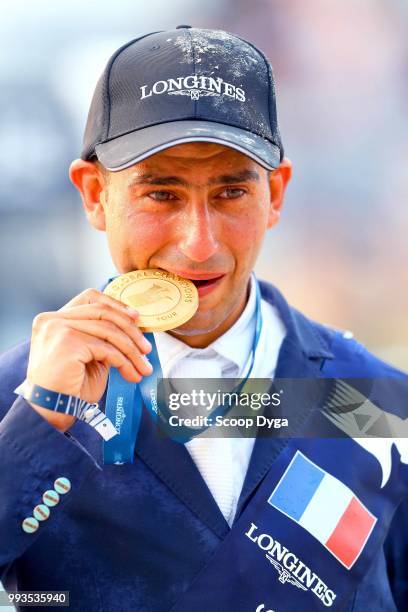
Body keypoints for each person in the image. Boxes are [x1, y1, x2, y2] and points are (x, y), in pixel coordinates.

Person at [0, 25, 407, 612]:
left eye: (231, 194)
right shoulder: (21, 396)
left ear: (276, 194)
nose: (198, 244)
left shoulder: (375, 403)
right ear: (94, 194)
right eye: (161, 195)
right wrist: (41, 419)